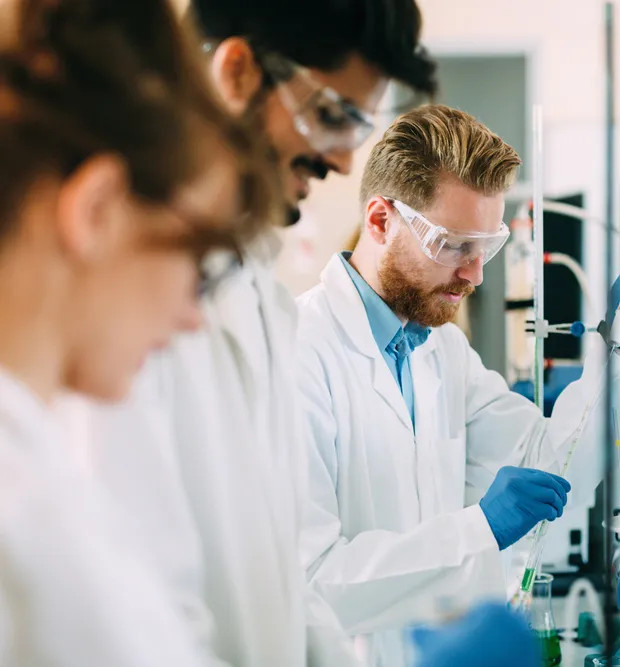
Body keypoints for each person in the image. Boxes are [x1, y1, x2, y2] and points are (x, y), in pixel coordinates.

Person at [84, 1, 478, 666]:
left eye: (361, 125)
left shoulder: (263, 299)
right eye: (332, 116)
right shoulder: (118, 292)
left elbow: (285, 585)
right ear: (236, 71)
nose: (346, 160)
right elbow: (122, 615)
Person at [295, 104, 620, 667]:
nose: (475, 274)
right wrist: (480, 529)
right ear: (380, 221)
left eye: (486, 246)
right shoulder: (297, 350)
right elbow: (309, 584)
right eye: (454, 245)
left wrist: (617, 345)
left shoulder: (442, 349)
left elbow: (552, 466)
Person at [0, 0, 277, 663]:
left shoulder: (39, 462)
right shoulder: (22, 515)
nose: (193, 316)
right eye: (195, 260)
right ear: (96, 210)